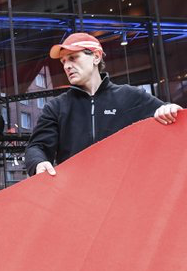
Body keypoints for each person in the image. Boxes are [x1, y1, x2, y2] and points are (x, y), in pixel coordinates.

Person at [25, 32, 182, 177]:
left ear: (96, 57)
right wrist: (38, 163)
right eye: (63, 61)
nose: (66, 66)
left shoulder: (130, 96)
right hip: (75, 192)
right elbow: (37, 147)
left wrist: (170, 109)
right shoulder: (56, 107)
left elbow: (172, 117)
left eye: (73, 58)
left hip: (123, 189)